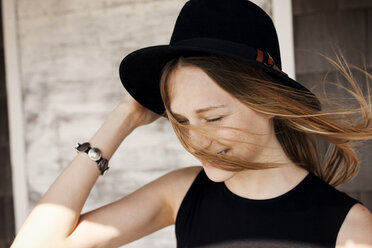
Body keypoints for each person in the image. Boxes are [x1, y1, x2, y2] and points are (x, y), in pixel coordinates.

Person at [11, 0, 372, 248]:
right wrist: (123, 118)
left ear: (269, 102)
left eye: (213, 117)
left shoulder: (351, 227)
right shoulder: (182, 192)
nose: (195, 140)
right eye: (181, 120)